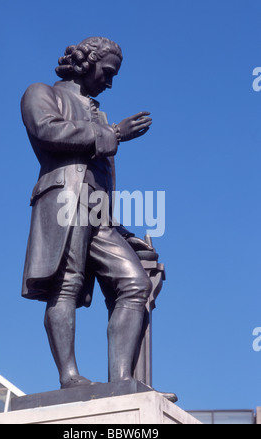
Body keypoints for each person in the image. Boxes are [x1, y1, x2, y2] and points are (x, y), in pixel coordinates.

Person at [21, 37, 154, 389]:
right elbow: (47, 130)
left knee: (135, 283)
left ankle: (122, 381)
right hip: (63, 202)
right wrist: (112, 133)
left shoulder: (99, 114)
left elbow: (101, 183)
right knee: (65, 285)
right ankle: (69, 376)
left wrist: (121, 231)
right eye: (107, 72)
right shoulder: (42, 93)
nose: (109, 83)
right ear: (86, 62)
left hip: (98, 213)